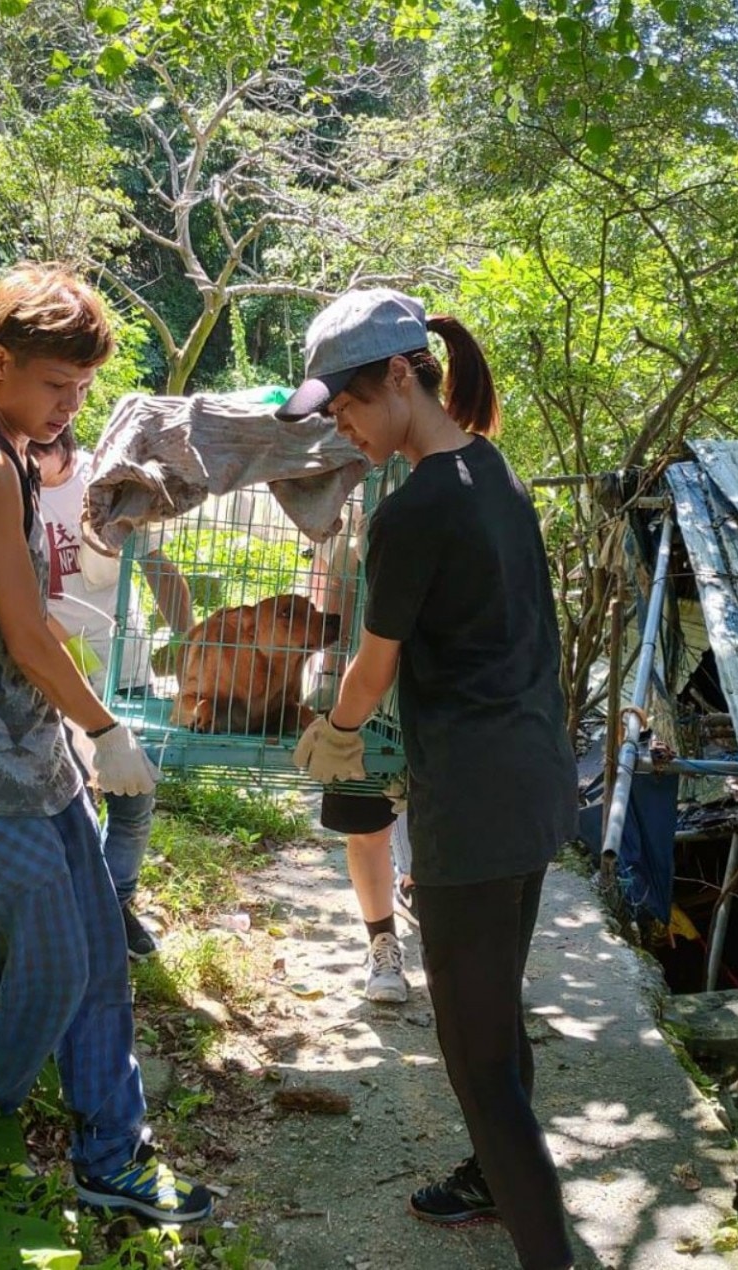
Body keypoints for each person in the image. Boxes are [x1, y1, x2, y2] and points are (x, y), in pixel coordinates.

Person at [0, 263, 211, 1224]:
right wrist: (109, 731)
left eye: (82, 389)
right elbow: (27, 632)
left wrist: (78, 730)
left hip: (32, 749)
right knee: (47, 967)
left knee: (100, 954)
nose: (71, 407)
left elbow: (18, 620)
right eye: (54, 385)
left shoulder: (17, 451)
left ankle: (112, 1156)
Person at [287, 288, 577, 1269]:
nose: (346, 429)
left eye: (350, 408)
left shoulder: (412, 514)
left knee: (477, 1058)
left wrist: (335, 734)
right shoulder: (494, 473)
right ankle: (492, 1181)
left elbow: (373, 667)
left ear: (402, 377)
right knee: (493, 1012)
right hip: (535, 779)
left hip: (480, 805)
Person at [30, 425, 194, 960]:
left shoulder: (104, 486)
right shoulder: (6, 488)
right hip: (52, 676)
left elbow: (159, 568)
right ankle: (76, 914)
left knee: (133, 799)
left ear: (65, 444)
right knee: (66, 801)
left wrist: (190, 641)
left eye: (40, 453)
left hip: (124, 670)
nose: (30, 465)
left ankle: (115, 907)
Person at [306, 500, 414, 1004]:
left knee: (440, 832)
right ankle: (382, 947)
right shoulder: (340, 528)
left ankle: (456, 949)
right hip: (354, 702)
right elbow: (330, 618)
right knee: (367, 830)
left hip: (428, 700)